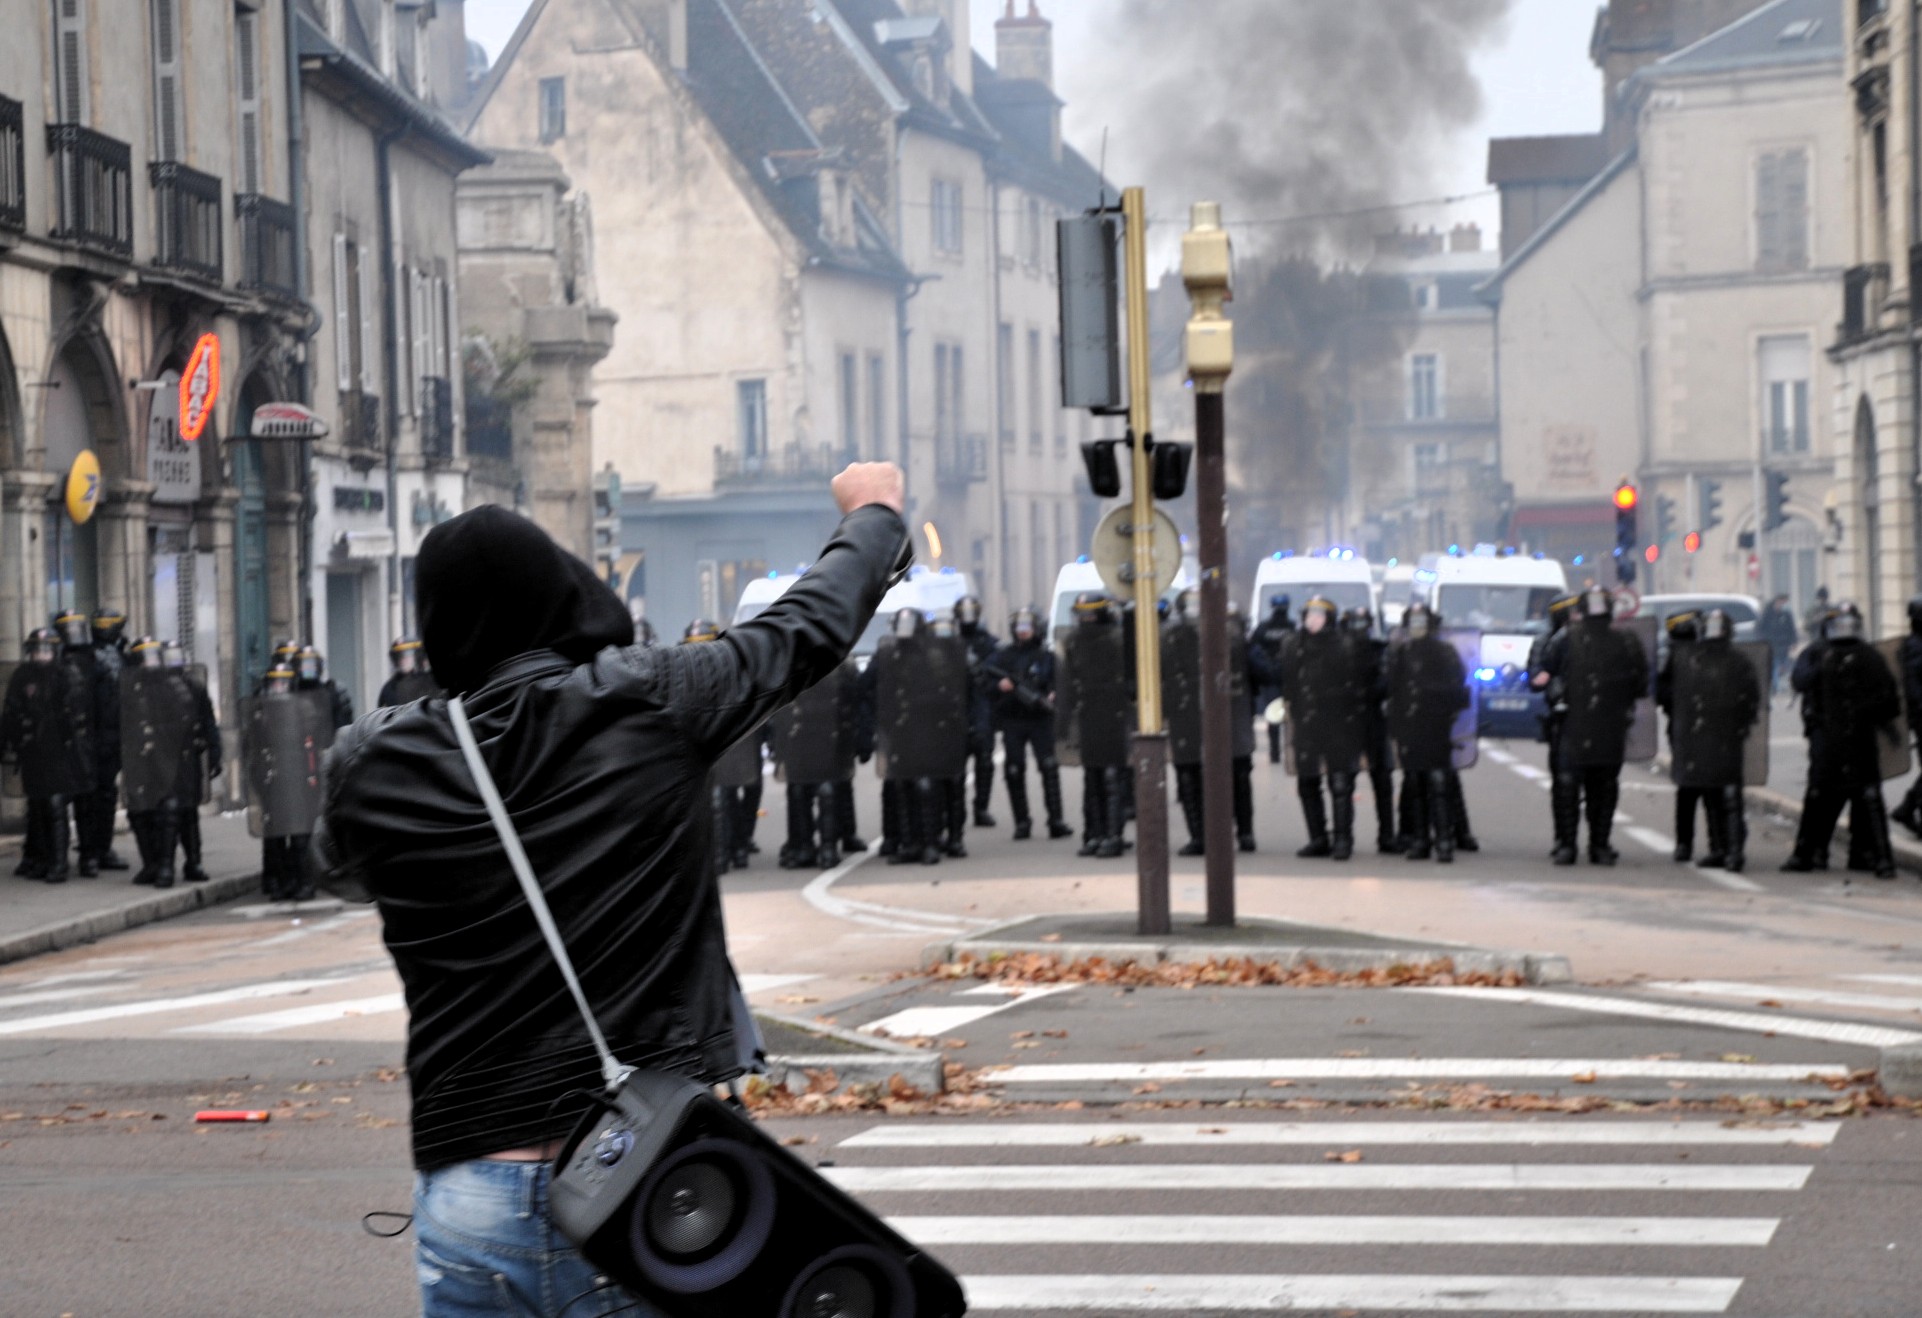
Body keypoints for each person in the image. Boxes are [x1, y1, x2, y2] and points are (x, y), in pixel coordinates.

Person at [311, 465, 908, 1318]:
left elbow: (339, 871)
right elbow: (802, 629)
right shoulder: (649, 701)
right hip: (641, 1186)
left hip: (470, 1193)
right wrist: (874, 516)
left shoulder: (373, 764)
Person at [1783, 601, 1900, 877]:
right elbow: (1800, 681)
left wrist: (1869, 712)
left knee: (1866, 797)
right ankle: (1810, 852)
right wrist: (1821, 670)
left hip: (1859, 737)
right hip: (1826, 735)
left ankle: (1872, 855)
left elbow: (1888, 700)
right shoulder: (1818, 653)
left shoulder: (1869, 656)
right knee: (1821, 794)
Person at [1534, 585, 1649, 866]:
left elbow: (1640, 683)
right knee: (1568, 784)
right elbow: (1545, 672)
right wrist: (1558, 691)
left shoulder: (1626, 642)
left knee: (1603, 786)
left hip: (1608, 723)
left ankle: (1598, 844)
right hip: (1575, 720)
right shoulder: (1565, 638)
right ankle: (1568, 844)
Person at [1668, 610, 1762, 873]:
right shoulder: (1705, 661)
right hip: (1715, 736)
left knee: (1721, 793)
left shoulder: (1704, 661)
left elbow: (1751, 700)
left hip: (1716, 735)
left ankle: (1730, 851)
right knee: (1717, 793)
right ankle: (1723, 850)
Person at [1279, 596, 1366, 860]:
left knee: (1340, 783)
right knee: (1307, 782)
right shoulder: (1294, 645)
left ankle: (1342, 839)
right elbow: (1285, 678)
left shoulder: (1345, 645)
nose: (1313, 620)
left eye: (1319, 616)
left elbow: (1359, 682)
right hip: (1306, 722)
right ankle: (1317, 838)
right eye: (1309, 615)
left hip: (1338, 722)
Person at [1385, 602, 1470, 863]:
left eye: (1422, 623)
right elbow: (1393, 689)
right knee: (1414, 784)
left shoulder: (1445, 652)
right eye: (1414, 623)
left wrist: (1432, 698)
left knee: (1439, 782)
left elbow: (1458, 687)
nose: (1417, 628)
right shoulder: (1402, 652)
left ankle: (1444, 839)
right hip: (1410, 727)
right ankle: (1420, 839)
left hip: (1435, 726)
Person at [0, 628, 88, 883]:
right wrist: (8, 740)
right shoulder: (22, 675)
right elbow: (11, 711)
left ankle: (59, 863)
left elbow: (75, 714)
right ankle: (40, 858)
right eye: (37, 650)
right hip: (32, 752)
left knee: (55, 805)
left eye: (46, 650)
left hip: (59, 751)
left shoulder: (66, 674)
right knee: (37, 806)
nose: (41, 655)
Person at [683, 619, 766, 871]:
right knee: (722, 800)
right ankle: (726, 852)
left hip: (739, 741)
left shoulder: (737, 666)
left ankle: (740, 844)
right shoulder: (684, 672)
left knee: (744, 794)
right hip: (709, 745)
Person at [1056, 592, 1133, 858]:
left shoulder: (1119, 638)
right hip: (1088, 715)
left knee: (1112, 778)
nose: (1086, 618)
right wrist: (1062, 725)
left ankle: (1114, 836)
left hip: (1114, 713)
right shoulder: (1074, 642)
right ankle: (1093, 834)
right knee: (1092, 780)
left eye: (1091, 613)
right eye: (1082, 613)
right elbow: (1066, 684)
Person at [988, 606, 1072, 841]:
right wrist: (999, 686)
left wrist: (1054, 693)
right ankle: (1022, 822)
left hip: (1040, 720)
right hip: (1013, 720)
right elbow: (985, 681)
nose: (1023, 631)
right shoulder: (1003, 657)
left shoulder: (1046, 657)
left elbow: (1061, 681)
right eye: (1019, 627)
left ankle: (1056, 820)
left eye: (1027, 627)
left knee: (1048, 767)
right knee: (1014, 771)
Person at [1656, 612, 1726, 867]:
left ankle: (1711, 844)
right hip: (1684, 727)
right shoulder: (1672, 657)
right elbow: (1660, 692)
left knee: (1702, 788)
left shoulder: (1709, 653)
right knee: (1691, 788)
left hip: (1705, 727)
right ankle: (1686, 843)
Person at [1343, 606, 1399, 854]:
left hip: (1374, 720)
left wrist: (1368, 692)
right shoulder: (1338, 652)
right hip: (1347, 722)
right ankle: (1343, 838)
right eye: (1355, 624)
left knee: (1383, 780)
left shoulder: (1379, 651)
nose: (1359, 630)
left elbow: (1388, 681)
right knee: (1342, 782)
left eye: (1362, 624)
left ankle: (1387, 836)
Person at [163, 640, 220, 884]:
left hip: (189, 757)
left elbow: (208, 721)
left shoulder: (195, 686)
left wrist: (215, 753)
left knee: (188, 812)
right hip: (163, 759)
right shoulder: (155, 687)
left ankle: (193, 861)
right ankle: (164, 865)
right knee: (168, 812)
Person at [954, 596, 999, 828]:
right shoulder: (950, 641)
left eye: (972, 612)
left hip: (982, 709)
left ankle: (981, 808)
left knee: (984, 762)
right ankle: (956, 811)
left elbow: (996, 672)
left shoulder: (988, 642)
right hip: (956, 710)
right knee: (956, 766)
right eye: (964, 612)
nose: (968, 617)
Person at [1250, 593, 1295, 764]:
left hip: (1271, 679)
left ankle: (1275, 752)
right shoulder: (1292, 627)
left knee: (1273, 717)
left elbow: (1254, 651)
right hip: (1286, 677)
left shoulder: (1263, 628)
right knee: (1290, 717)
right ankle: (1288, 751)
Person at [378, 637, 442, 707]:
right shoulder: (390, 688)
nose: (403, 660)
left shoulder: (432, 682)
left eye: (408, 655)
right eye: (399, 656)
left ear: (418, 656)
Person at [1758, 594, 1798, 695]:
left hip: (1784, 645)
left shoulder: (1786, 615)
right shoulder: (1768, 614)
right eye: (1781, 602)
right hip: (1772, 644)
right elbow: (1762, 629)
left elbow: (1791, 629)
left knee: (1785, 666)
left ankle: (1785, 686)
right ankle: (1775, 687)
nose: (1783, 605)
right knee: (1775, 665)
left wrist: (1793, 642)